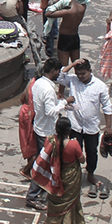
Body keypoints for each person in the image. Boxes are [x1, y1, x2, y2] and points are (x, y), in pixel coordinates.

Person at [61, 58, 112, 196]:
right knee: (73, 152)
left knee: (92, 152)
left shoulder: (100, 86)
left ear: (90, 71)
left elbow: (107, 107)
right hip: (75, 125)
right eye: (78, 74)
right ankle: (74, 175)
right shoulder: (72, 80)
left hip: (91, 127)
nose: (81, 76)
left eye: (83, 74)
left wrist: (108, 127)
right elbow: (60, 76)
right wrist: (72, 64)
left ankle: (90, 174)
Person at [31, 116, 85, 224]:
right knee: (69, 203)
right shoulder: (74, 144)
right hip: (71, 176)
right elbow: (82, 160)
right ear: (69, 130)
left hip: (56, 176)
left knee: (56, 202)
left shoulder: (52, 142)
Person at [26, 60, 64, 209]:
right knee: (43, 164)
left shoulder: (38, 83)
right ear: (53, 70)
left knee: (42, 162)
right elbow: (50, 111)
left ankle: (43, 189)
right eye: (58, 71)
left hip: (40, 127)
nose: (59, 74)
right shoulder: (47, 89)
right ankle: (32, 196)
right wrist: (64, 103)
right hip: (47, 132)